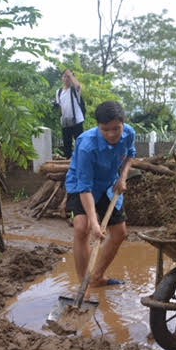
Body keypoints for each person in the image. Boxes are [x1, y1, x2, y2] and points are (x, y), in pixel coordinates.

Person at [65, 101, 136, 287]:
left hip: (110, 184)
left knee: (120, 233)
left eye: (116, 129)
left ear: (123, 123)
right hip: (82, 185)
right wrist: (95, 223)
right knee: (82, 228)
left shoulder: (129, 133)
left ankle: (96, 277)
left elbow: (131, 155)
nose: (111, 134)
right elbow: (85, 187)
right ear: (98, 126)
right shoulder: (86, 145)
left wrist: (123, 177)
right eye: (105, 130)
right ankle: (84, 284)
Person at [55, 69, 86, 158]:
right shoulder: (59, 92)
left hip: (77, 121)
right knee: (67, 146)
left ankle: (81, 162)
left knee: (80, 143)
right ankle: (68, 165)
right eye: (65, 76)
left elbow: (78, 86)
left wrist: (71, 75)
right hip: (66, 122)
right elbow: (61, 106)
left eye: (69, 77)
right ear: (62, 78)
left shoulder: (75, 90)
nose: (67, 79)